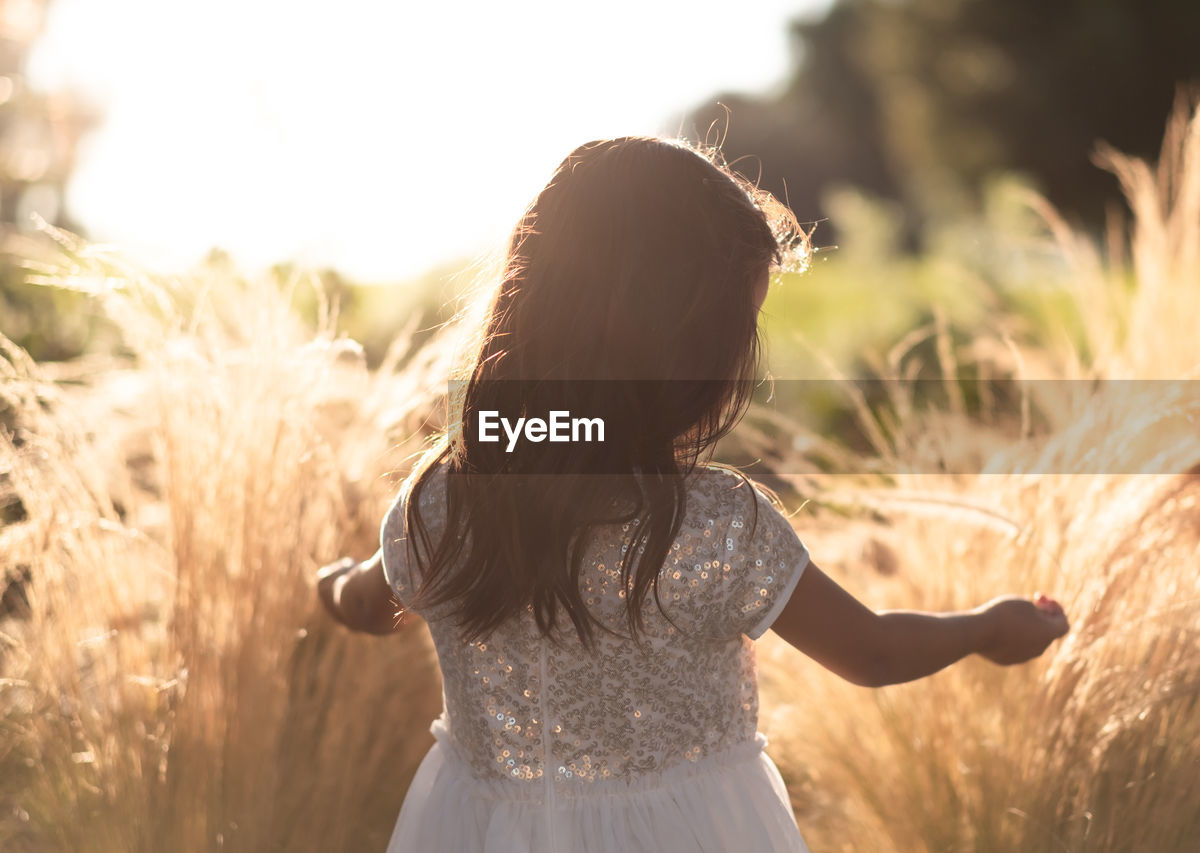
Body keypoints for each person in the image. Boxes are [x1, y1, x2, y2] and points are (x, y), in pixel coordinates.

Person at [316, 137, 1069, 852]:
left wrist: (330, 584)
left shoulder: (444, 502)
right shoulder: (716, 524)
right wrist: (986, 627)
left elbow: (366, 602)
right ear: (683, 351)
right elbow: (872, 651)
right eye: (739, 328)